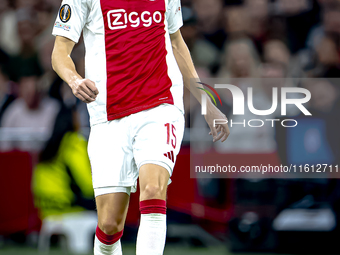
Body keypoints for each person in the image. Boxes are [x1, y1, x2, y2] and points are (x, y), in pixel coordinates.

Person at [51, 0, 229, 254]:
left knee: (154, 189)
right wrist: (74, 80)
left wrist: (206, 101)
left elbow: (177, 42)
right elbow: (59, 52)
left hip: (160, 106)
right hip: (108, 116)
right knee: (110, 224)